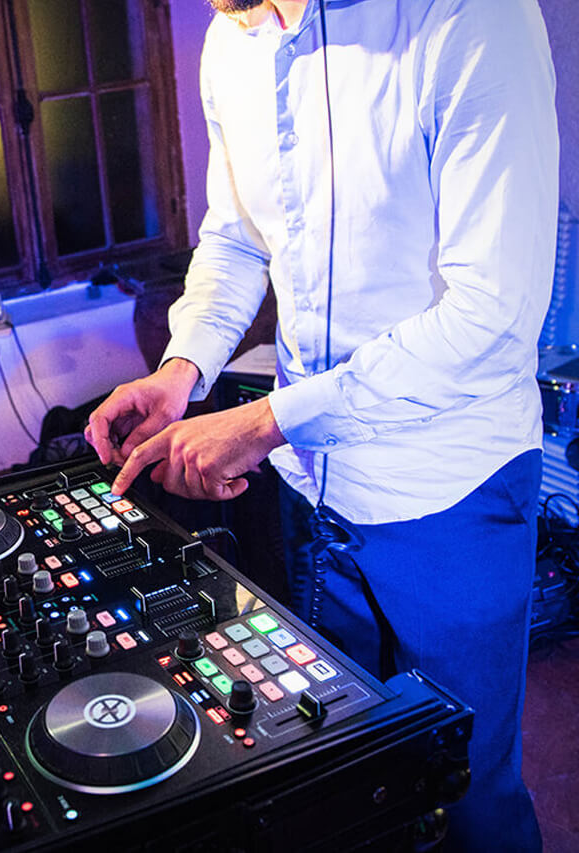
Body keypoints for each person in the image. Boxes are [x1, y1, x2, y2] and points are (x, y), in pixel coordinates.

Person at [84, 0, 558, 850]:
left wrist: (267, 420)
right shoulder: (230, 39)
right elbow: (236, 241)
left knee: (468, 796)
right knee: (342, 786)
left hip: (451, 492)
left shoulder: (470, 17)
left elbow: (491, 315)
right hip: (310, 488)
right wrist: (182, 367)